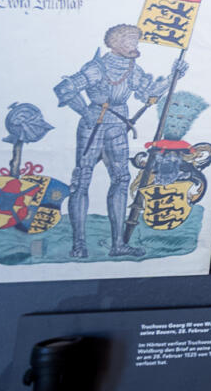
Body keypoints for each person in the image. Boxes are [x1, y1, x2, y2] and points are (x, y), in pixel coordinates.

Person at [55, 23, 184, 259]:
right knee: (82, 182)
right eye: (129, 40)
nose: (134, 45)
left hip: (118, 129)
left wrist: (172, 76)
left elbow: (149, 93)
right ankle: (79, 245)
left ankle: (118, 245)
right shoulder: (96, 68)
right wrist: (85, 112)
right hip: (91, 129)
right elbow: (64, 89)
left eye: (136, 40)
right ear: (114, 43)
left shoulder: (133, 70)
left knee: (122, 180)